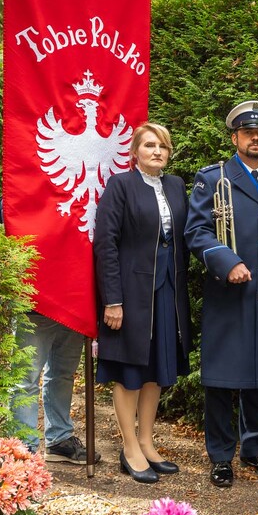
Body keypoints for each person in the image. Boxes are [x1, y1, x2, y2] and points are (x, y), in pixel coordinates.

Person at [185, 100, 258, 484]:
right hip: (229, 293)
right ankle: (221, 456)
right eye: (249, 132)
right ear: (235, 137)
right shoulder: (213, 177)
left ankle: (254, 451)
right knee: (221, 379)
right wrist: (226, 261)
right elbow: (196, 231)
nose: (256, 138)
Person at [94, 122, 191, 484]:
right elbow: (106, 245)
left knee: (156, 371)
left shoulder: (176, 185)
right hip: (130, 297)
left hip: (168, 293)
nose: (157, 151)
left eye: (163, 146)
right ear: (135, 152)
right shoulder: (120, 186)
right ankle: (130, 447)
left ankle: (148, 442)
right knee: (130, 372)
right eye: (149, 145)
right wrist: (113, 301)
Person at [1, 199, 100, 466]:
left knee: (63, 374)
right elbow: (10, 225)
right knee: (25, 379)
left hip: (73, 298)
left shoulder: (77, 193)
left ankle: (59, 440)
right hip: (34, 302)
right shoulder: (23, 192)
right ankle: (23, 449)